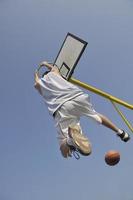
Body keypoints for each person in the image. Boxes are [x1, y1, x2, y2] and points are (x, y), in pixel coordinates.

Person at [34, 61, 130, 159]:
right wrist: (45, 64)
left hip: (61, 106)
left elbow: (36, 83)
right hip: (78, 96)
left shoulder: (41, 84)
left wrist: (36, 73)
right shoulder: (54, 73)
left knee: (64, 151)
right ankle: (120, 132)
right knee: (95, 115)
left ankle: (70, 141)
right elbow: (54, 68)